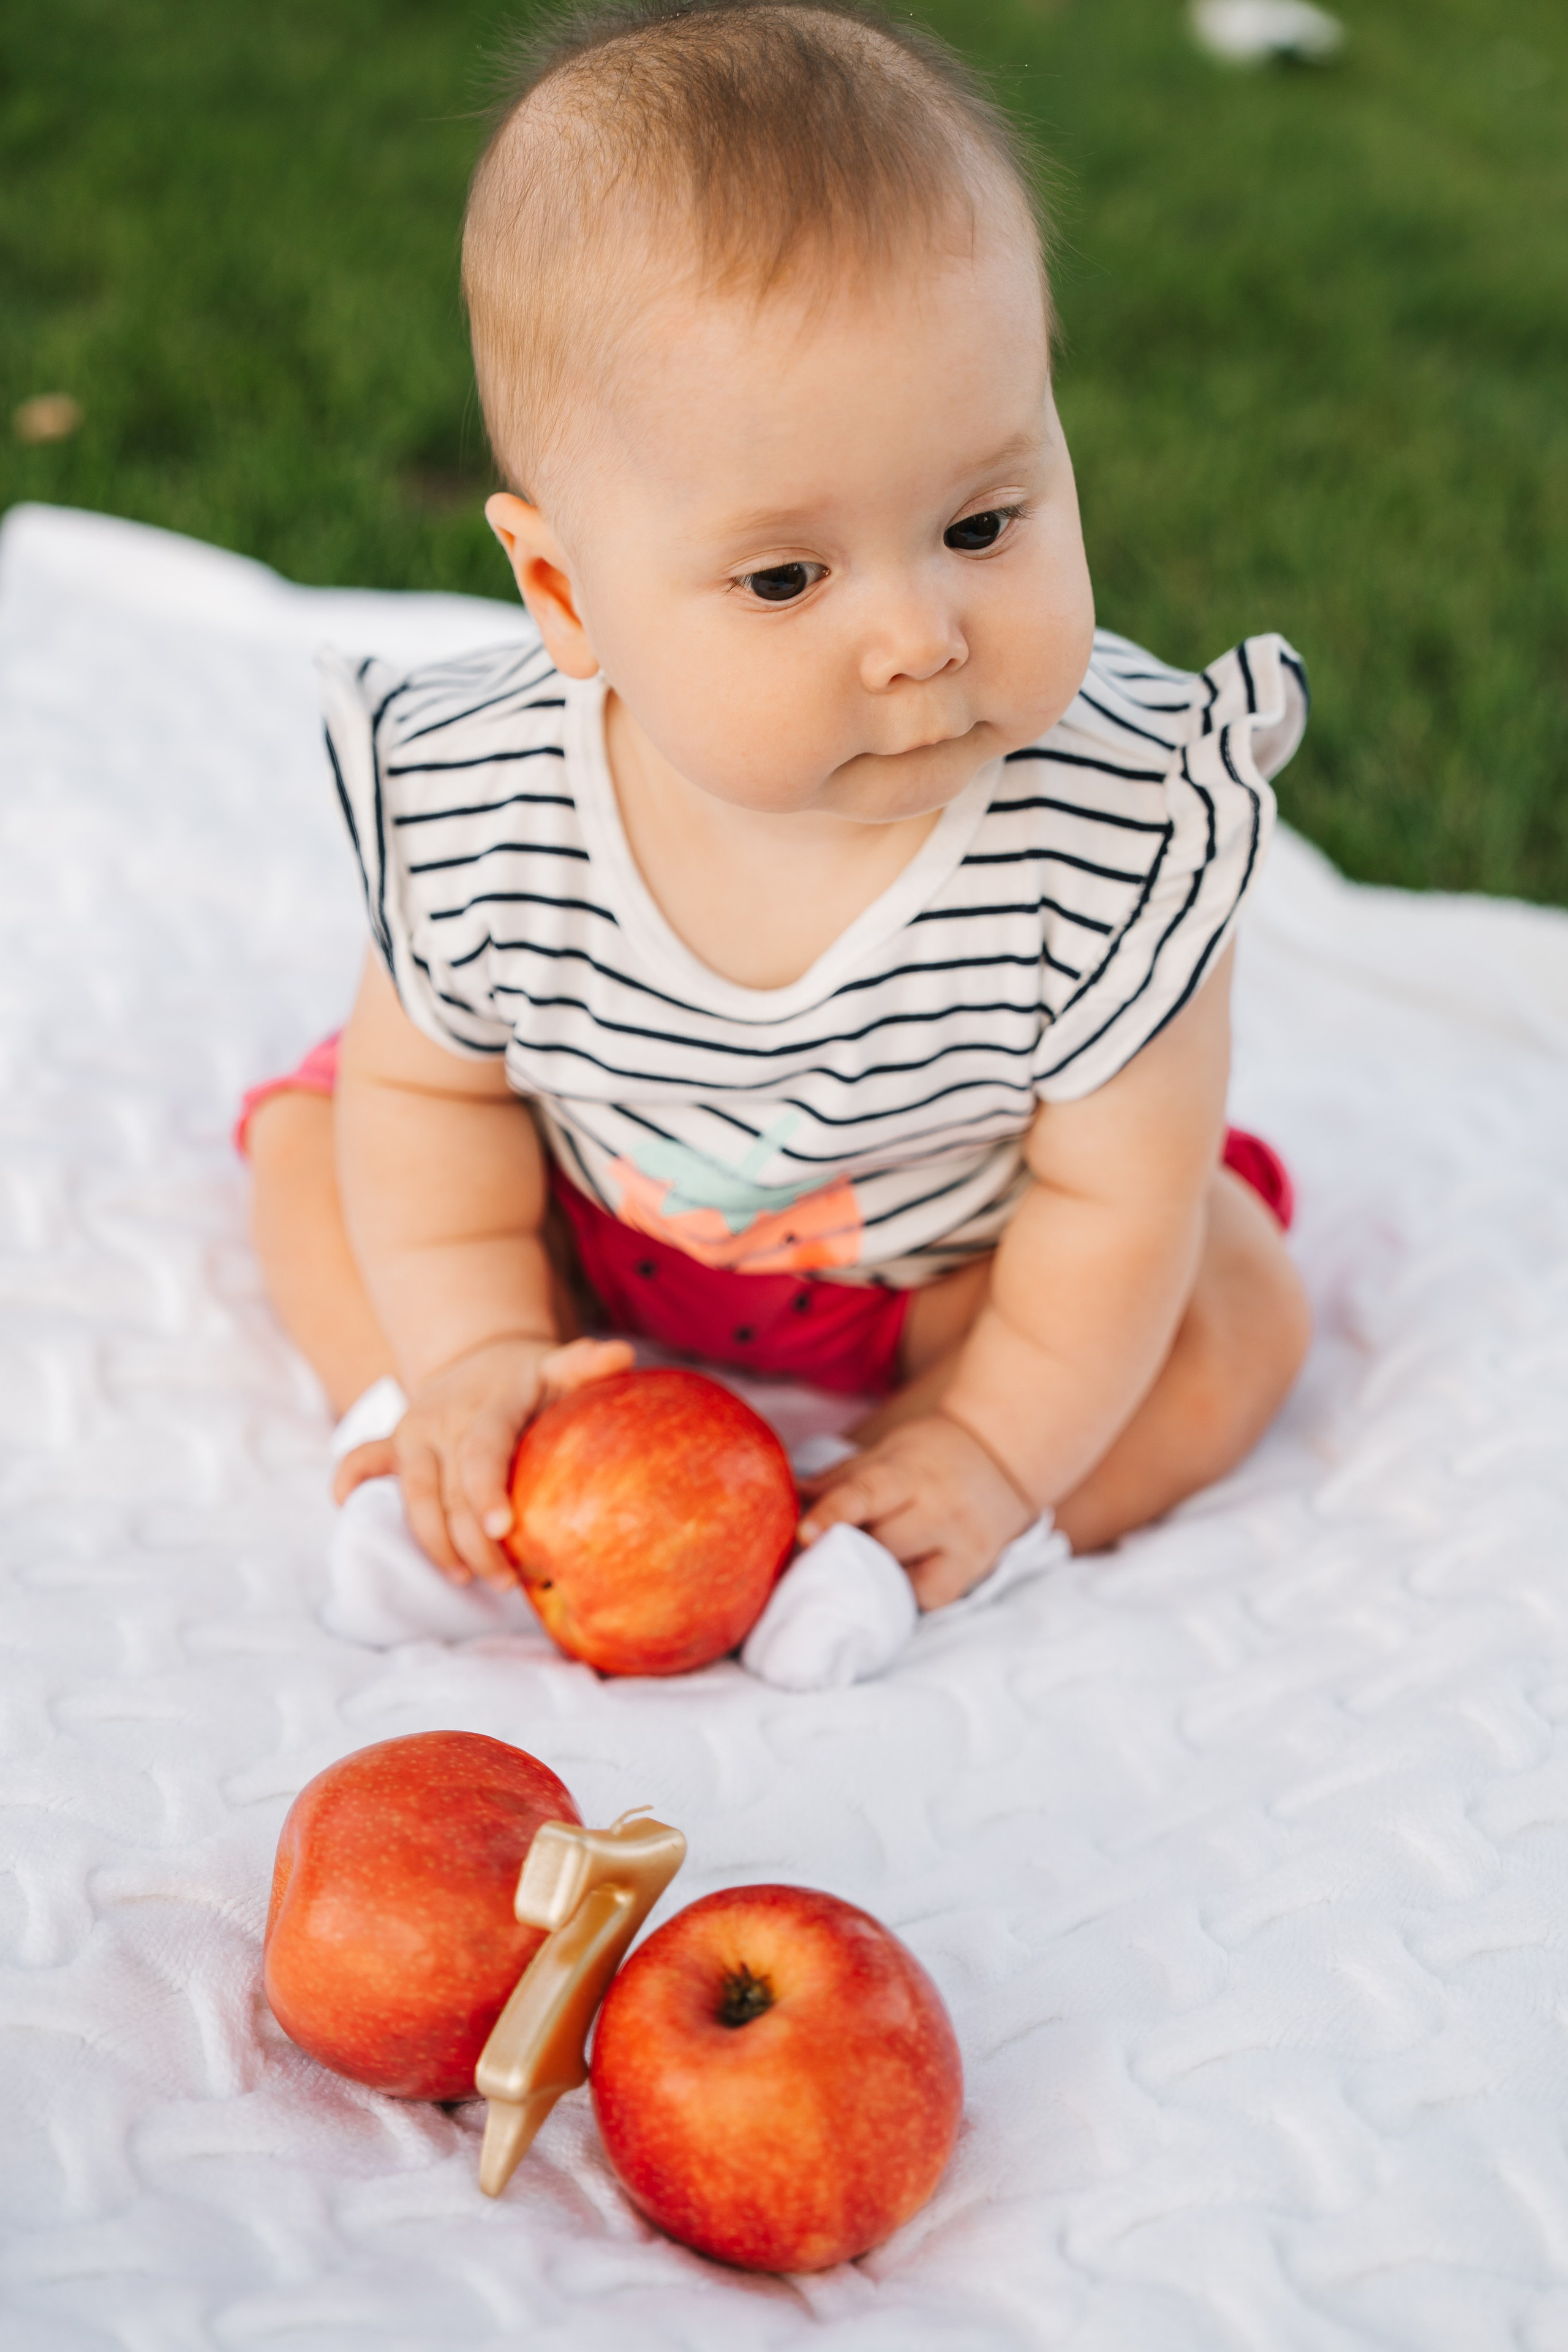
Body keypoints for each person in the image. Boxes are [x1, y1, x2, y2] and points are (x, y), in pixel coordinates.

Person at [241, 0, 1312, 1612]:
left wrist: (1002, 1442)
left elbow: (1114, 1196)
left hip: (951, 1271)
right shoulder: (487, 807)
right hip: (578, 1217)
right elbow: (437, 1104)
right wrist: (476, 1339)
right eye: (787, 575)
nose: (918, 636)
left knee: (1231, 1306)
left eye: (982, 522)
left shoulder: (1118, 833)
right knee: (318, 1146)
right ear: (566, 592)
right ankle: (439, 1439)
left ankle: (913, 1537)